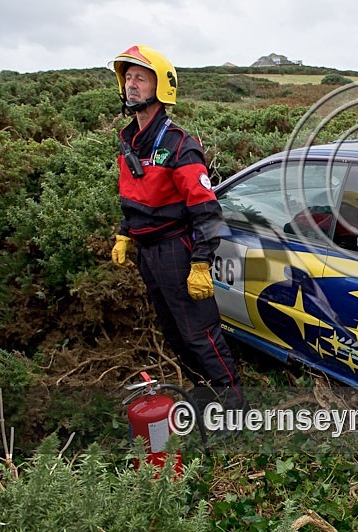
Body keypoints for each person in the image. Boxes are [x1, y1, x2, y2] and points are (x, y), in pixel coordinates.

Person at [108, 45, 244, 412]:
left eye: (140, 78)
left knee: (201, 336)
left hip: (177, 251)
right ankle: (204, 399)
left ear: (161, 88)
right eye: (128, 77)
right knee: (174, 334)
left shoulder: (179, 145)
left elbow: (207, 212)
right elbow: (133, 195)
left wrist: (201, 263)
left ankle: (235, 412)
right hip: (148, 253)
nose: (131, 85)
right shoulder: (130, 140)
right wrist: (125, 233)